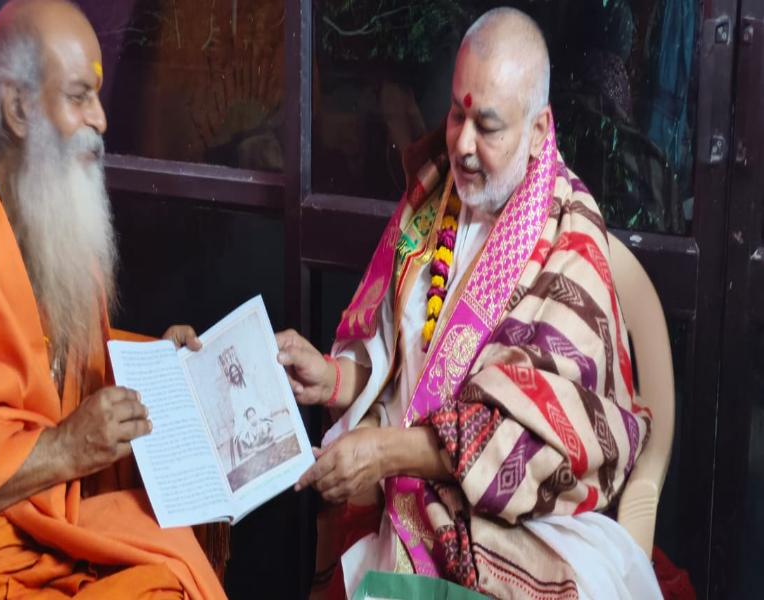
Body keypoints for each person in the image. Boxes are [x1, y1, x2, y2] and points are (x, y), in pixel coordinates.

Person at [277, 8, 658, 599]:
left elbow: (550, 441)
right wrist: (329, 378)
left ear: (539, 129)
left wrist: (388, 453)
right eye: (457, 113)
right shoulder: (432, 200)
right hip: (403, 503)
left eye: (488, 125)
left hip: (522, 528)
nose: (462, 144)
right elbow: (398, 366)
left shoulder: (571, 241)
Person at [0, 1, 225, 597]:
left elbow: (59, 365)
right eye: (80, 96)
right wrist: (62, 448)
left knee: (166, 579)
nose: (103, 119)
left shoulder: (57, 223)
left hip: (33, 518)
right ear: (19, 108)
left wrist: (155, 362)